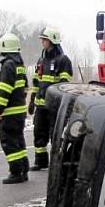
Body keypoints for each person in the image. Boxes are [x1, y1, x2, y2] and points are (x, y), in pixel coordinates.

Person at [28, 27, 73, 171]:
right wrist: (32, 100)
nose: (42, 41)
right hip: (41, 106)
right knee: (39, 134)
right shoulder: (41, 60)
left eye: (44, 39)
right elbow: (36, 81)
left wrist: (62, 105)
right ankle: (40, 161)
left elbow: (64, 85)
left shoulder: (63, 60)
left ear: (52, 40)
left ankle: (57, 163)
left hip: (55, 107)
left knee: (56, 135)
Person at [0, 32, 30, 184]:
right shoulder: (19, 65)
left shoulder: (8, 65)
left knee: (8, 142)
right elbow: (26, 87)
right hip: (19, 112)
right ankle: (23, 169)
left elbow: (4, 90)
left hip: (9, 113)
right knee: (18, 141)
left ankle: (16, 172)